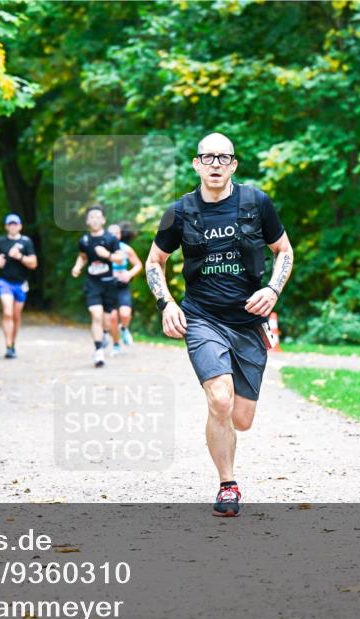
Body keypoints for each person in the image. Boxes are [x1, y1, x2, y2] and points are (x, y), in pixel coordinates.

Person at [145, 133, 294, 518]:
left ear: (233, 165)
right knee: (220, 399)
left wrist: (273, 290)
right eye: (207, 157)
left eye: (223, 158)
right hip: (202, 318)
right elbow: (153, 262)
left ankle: (224, 427)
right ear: (196, 163)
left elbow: (284, 252)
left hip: (247, 324)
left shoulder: (257, 203)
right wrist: (166, 303)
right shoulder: (177, 211)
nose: (215, 164)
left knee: (241, 419)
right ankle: (228, 485)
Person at [71, 205, 124, 368]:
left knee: (107, 321)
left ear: (103, 220)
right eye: (91, 217)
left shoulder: (110, 239)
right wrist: (77, 266)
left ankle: (105, 334)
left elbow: (120, 259)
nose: (94, 219)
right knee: (96, 316)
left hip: (109, 283)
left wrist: (107, 254)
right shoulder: (84, 240)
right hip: (92, 283)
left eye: (97, 217)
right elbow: (82, 257)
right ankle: (98, 351)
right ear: (87, 221)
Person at [0, 213, 38, 359]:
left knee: (16, 316)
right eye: (10, 224)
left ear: (20, 226)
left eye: (15, 224)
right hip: (5, 282)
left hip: (21, 284)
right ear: (6, 226)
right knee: (7, 312)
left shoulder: (26, 242)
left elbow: (34, 263)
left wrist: (20, 257)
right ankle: (8, 345)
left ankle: (13, 343)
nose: (13, 226)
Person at [107, 222, 142, 347]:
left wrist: (129, 274)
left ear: (120, 235)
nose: (114, 235)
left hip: (122, 286)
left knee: (125, 313)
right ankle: (116, 344)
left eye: (116, 233)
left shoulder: (126, 249)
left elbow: (138, 265)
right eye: (111, 233)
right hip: (107, 287)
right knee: (112, 318)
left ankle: (124, 329)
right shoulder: (102, 249)